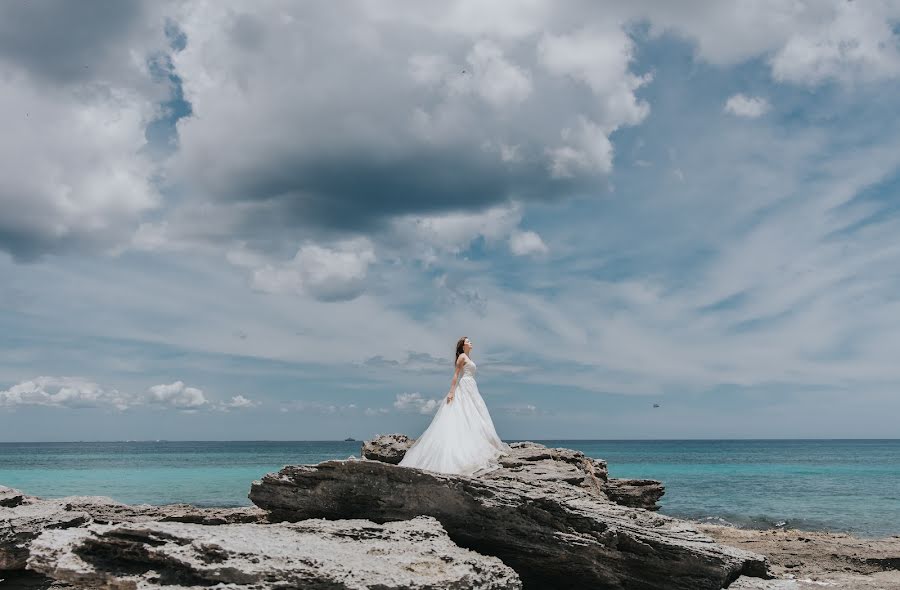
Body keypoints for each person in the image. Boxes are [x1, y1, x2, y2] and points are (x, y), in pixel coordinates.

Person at [399, 336, 510, 475]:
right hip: (464, 385)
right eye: (468, 341)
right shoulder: (462, 357)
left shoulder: (468, 357)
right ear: (463, 345)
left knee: (475, 413)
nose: (471, 342)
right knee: (466, 412)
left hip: (471, 386)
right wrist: (451, 392)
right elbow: (456, 375)